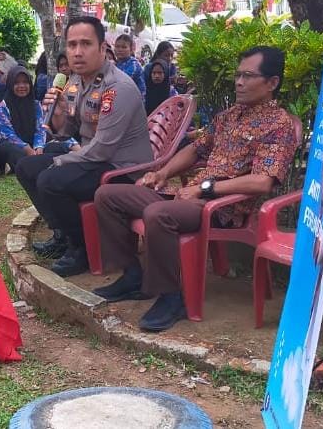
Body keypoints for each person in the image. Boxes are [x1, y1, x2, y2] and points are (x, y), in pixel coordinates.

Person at [92, 46, 298, 332]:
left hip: (222, 207)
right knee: (108, 195)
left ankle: (172, 297)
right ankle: (133, 276)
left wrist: (205, 189)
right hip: (189, 195)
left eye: (248, 76)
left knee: (157, 214)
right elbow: (195, 150)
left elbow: (262, 181)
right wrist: (161, 173)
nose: (239, 82)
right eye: (238, 75)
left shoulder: (280, 125)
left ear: (272, 83)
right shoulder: (229, 116)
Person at [15, 16, 153, 277]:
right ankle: (63, 234)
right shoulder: (76, 82)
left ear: (103, 48)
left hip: (121, 168)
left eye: (86, 44)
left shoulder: (117, 88)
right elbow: (65, 130)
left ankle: (83, 249)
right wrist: (55, 113)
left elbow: (102, 150)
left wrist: (62, 160)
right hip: (96, 160)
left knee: (51, 179)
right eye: (72, 44)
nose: (77, 52)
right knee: (26, 167)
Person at [0, 66, 45, 174]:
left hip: (30, 142)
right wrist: (26, 148)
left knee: (52, 146)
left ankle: (19, 165)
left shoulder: (36, 105)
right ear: (11, 85)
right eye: (16, 83)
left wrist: (39, 147)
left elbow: (40, 129)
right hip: (8, 144)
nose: (22, 86)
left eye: (25, 82)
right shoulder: (2, 107)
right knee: (15, 152)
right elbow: (8, 135)